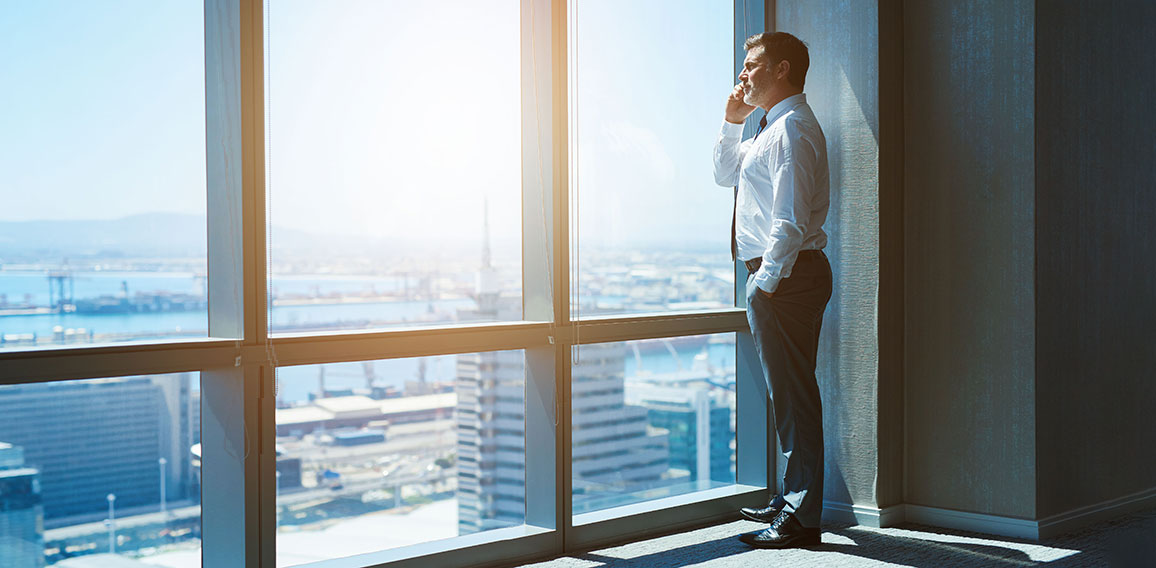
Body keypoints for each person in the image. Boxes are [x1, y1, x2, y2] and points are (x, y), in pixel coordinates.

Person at [713, 31, 831, 549]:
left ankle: (801, 518)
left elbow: (789, 220)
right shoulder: (768, 128)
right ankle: (792, 500)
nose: (744, 74)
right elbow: (723, 174)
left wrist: (763, 284)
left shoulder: (794, 130)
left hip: (786, 274)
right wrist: (732, 120)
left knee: (795, 396)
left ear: (782, 69)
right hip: (781, 274)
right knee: (789, 395)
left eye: (752, 64)